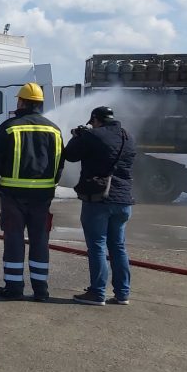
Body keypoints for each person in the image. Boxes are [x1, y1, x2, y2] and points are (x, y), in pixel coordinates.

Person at [0, 83, 64, 302]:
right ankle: (41, 291)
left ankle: (14, 288)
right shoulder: (54, 130)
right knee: (40, 240)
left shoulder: (9, 127)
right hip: (43, 197)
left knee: (14, 239)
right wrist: (50, 185)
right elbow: (59, 164)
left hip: (13, 196)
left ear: (21, 102)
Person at [64, 105, 136, 306]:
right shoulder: (128, 136)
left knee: (97, 246)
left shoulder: (92, 135)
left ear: (96, 120)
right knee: (118, 246)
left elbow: (69, 155)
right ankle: (123, 294)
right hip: (123, 200)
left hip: (99, 199)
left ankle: (97, 293)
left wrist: (78, 136)